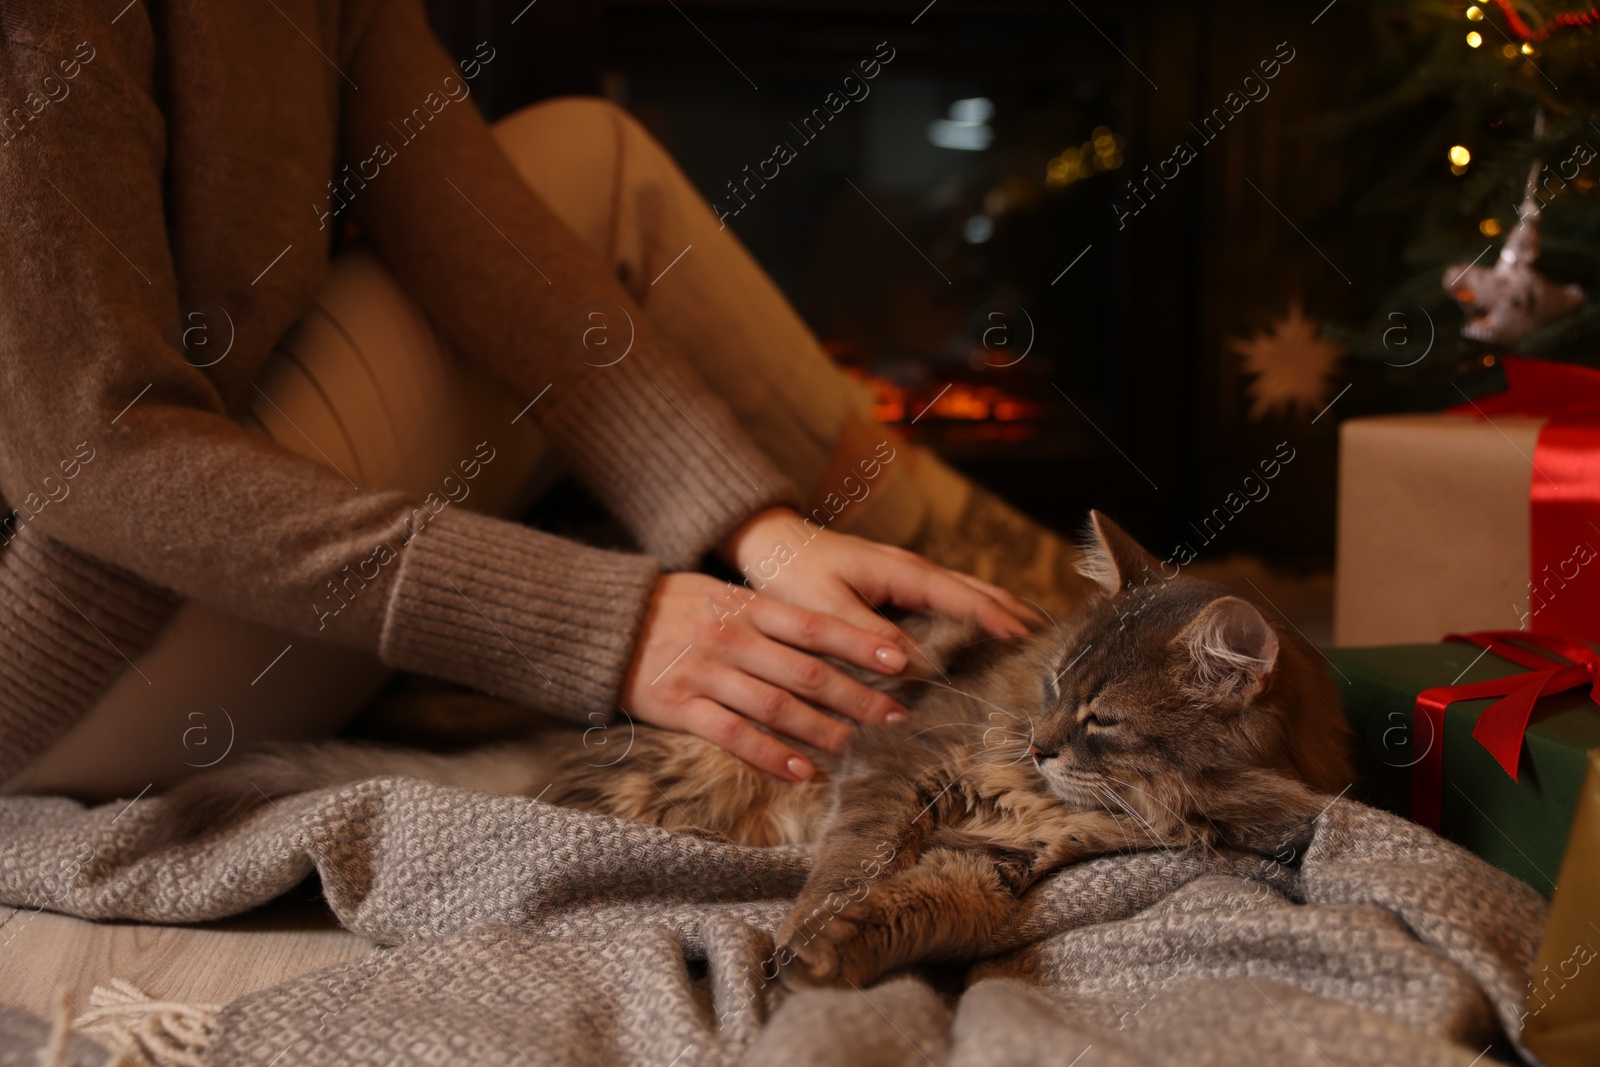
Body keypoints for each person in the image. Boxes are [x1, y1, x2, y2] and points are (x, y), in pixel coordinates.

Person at [0, 1, 1085, 801]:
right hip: (53, 662)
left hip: (184, 576)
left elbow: (485, 245)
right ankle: (1040, 605)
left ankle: (1022, 599)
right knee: (591, 162)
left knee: (576, 155)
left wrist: (766, 533)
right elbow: (91, 453)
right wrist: (609, 624)